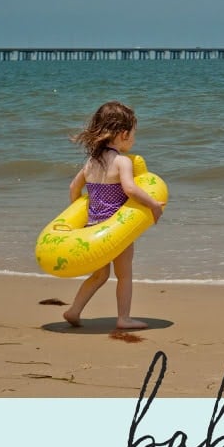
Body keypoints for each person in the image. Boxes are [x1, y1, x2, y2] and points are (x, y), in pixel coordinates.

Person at [63, 101, 164, 330]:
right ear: (123, 134)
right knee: (124, 275)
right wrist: (153, 205)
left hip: (93, 227)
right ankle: (124, 318)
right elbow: (130, 189)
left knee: (99, 276)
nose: (134, 140)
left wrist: (79, 215)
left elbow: (73, 188)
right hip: (115, 230)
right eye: (133, 135)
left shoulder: (91, 162)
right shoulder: (121, 162)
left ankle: (74, 310)